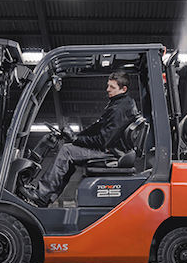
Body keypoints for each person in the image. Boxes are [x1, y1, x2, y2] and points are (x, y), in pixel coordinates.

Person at [23, 70, 140, 207]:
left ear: (123, 89)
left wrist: (75, 140)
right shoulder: (120, 103)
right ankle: (46, 198)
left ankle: (42, 195)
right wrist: (76, 136)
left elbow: (103, 141)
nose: (107, 89)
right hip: (113, 149)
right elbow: (97, 127)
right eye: (108, 85)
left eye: (112, 87)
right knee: (69, 152)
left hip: (110, 152)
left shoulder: (119, 109)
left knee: (67, 151)